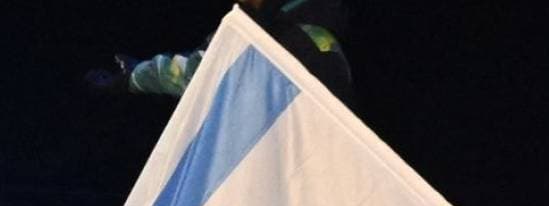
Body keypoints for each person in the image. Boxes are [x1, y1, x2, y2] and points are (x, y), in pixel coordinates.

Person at [85, 0, 354, 105]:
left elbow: (207, 71)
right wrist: (136, 76)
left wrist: (136, 77)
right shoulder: (249, 30)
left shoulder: (306, 40)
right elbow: (202, 67)